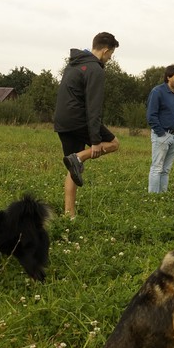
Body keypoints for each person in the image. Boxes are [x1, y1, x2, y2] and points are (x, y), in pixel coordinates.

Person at [53, 32, 121, 219]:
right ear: (105, 50)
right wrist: (95, 141)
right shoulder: (95, 69)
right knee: (114, 144)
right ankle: (79, 157)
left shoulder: (74, 64)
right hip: (78, 118)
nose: (110, 58)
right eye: (111, 54)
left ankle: (69, 214)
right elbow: (93, 107)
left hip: (62, 120)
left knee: (73, 167)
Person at [146, 65, 174, 193]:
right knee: (157, 168)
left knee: (166, 169)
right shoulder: (157, 92)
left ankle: (163, 196)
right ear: (168, 77)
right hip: (162, 136)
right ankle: (153, 197)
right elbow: (151, 115)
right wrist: (161, 133)